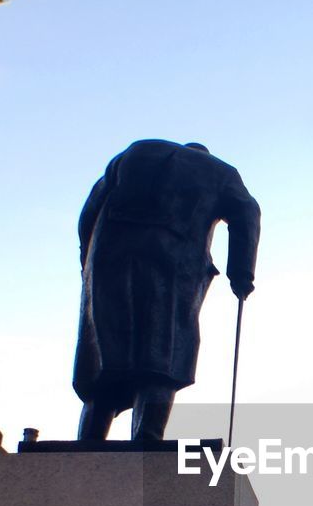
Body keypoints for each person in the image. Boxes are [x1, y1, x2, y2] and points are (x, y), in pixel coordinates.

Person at [73, 139, 261, 441]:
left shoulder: (134, 151)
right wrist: (241, 274)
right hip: (172, 261)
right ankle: (147, 439)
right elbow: (247, 211)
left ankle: (88, 441)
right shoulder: (219, 171)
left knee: (106, 356)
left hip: (109, 257)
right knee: (164, 353)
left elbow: (88, 213)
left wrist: (89, 261)